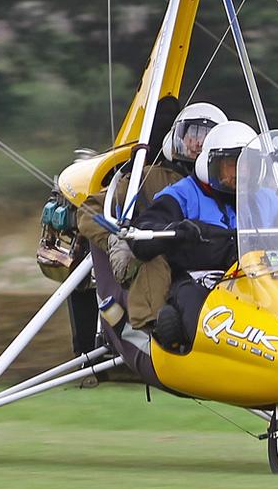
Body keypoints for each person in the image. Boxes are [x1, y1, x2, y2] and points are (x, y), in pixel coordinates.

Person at [75, 102, 225, 336]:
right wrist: (117, 239)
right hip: (161, 263)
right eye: (192, 135)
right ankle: (153, 326)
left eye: (206, 137)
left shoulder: (227, 188)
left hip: (208, 268)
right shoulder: (148, 178)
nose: (197, 143)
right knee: (153, 253)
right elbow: (89, 211)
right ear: (177, 138)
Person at [127, 119, 256, 351]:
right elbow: (143, 233)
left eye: (247, 164)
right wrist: (177, 230)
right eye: (232, 164)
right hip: (198, 281)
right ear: (212, 165)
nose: (241, 172)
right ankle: (182, 341)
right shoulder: (183, 193)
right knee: (190, 302)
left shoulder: (264, 197)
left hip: (256, 281)